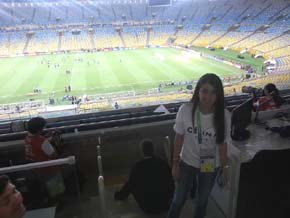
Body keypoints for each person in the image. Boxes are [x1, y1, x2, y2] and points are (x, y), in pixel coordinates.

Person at [167, 73, 230, 218]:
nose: (208, 97)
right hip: (187, 163)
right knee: (178, 200)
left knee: (202, 202)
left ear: (219, 95)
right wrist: (175, 164)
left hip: (210, 166)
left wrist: (225, 170)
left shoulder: (224, 115)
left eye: (214, 92)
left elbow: (222, 144)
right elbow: (179, 137)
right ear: (198, 91)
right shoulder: (185, 110)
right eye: (205, 91)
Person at [114, 139, 174, 214]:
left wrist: (119, 195)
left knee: (133, 181)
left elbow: (130, 184)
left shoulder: (137, 166)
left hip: (147, 207)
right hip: (165, 205)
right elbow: (171, 182)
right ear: (153, 150)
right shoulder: (163, 163)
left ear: (142, 152)